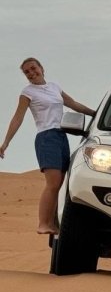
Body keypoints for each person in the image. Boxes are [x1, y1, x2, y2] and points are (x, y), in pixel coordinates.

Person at [0, 58, 96, 234]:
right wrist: (6, 142)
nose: (31, 73)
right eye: (27, 72)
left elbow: (73, 103)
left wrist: (95, 114)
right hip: (46, 137)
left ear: (41, 68)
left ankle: (53, 223)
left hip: (62, 136)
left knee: (61, 183)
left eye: (33, 68)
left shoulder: (54, 87)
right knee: (53, 182)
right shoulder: (27, 92)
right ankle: (43, 223)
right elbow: (18, 118)